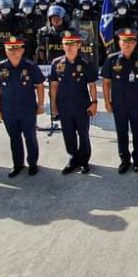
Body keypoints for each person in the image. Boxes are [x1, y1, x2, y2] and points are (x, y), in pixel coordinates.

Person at [0, 36, 45, 178]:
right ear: (5, 50)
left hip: (27, 110)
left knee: (30, 137)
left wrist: (40, 104)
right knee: (14, 139)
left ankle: (32, 163)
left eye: (17, 49)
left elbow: (40, 86)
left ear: (22, 50)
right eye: (10, 49)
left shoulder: (30, 66)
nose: (14, 52)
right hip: (8, 110)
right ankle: (17, 164)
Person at [101, 28, 138, 174]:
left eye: (131, 41)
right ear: (119, 42)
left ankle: (137, 160)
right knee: (121, 132)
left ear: (135, 43)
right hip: (119, 103)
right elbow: (106, 82)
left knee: (137, 132)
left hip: (136, 103)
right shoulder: (112, 60)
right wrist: (107, 102)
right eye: (124, 41)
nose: (127, 45)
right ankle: (124, 160)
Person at [50, 32, 98, 175]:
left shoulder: (85, 64)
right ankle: (73, 158)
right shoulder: (57, 63)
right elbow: (54, 85)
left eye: (72, 44)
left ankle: (84, 160)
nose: (69, 47)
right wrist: (53, 105)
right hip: (64, 105)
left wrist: (94, 102)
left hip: (81, 106)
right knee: (68, 133)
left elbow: (92, 85)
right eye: (66, 44)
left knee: (83, 133)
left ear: (78, 45)